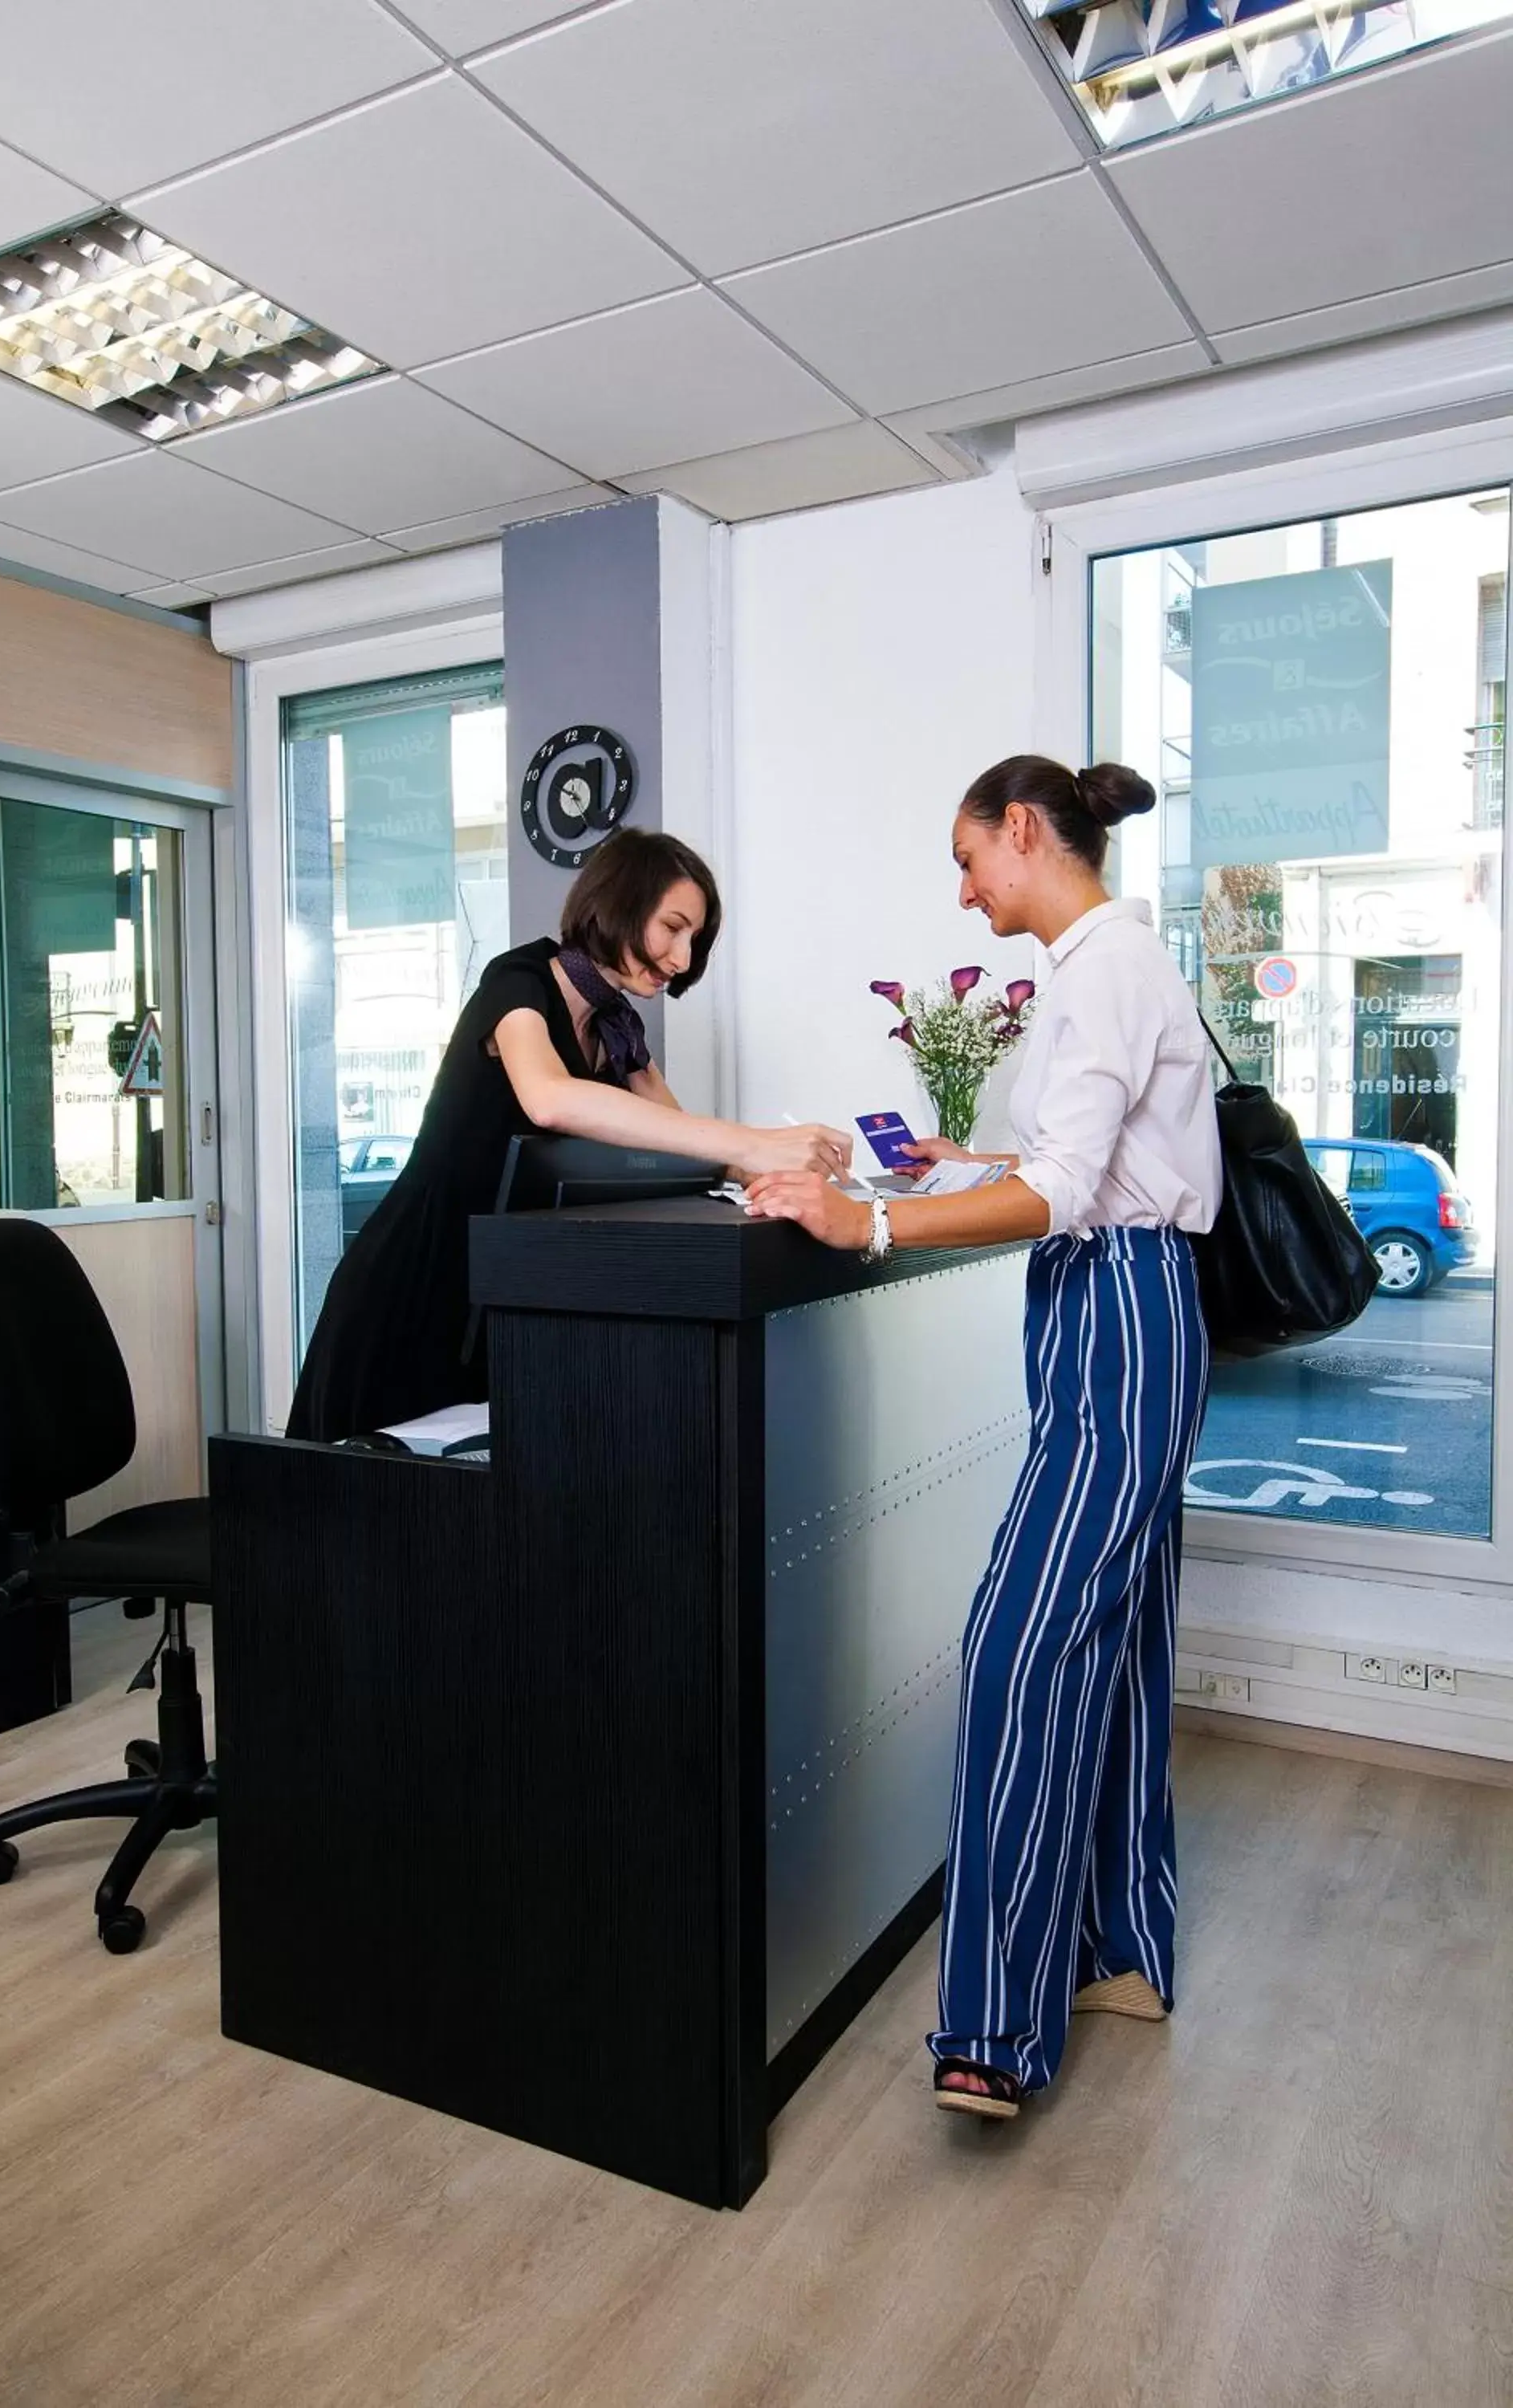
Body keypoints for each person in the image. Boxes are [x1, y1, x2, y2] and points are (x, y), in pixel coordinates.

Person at [744, 754, 1222, 2121]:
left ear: (1026, 831)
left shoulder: (1107, 968)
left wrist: (874, 1220)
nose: (965, 892)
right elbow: (1086, 1166)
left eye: (971, 862)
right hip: (1112, 1306)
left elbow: (1079, 1192)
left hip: (1119, 1309)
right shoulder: (1098, 970)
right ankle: (1123, 1949)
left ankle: (996, 2031)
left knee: (1016, 1645)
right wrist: (961, 1170)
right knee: (1113, 1638)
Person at [289, 829, 850, 1442]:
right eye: (673, 927)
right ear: (620, 902)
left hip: (500, 1290)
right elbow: (551, 1098)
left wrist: (784, 1171)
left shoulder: (618, 1029)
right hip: (411, 1283)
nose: (683, 958)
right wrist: (748, 1142)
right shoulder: (518, 982)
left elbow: (685, 1142)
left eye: (695, 938)